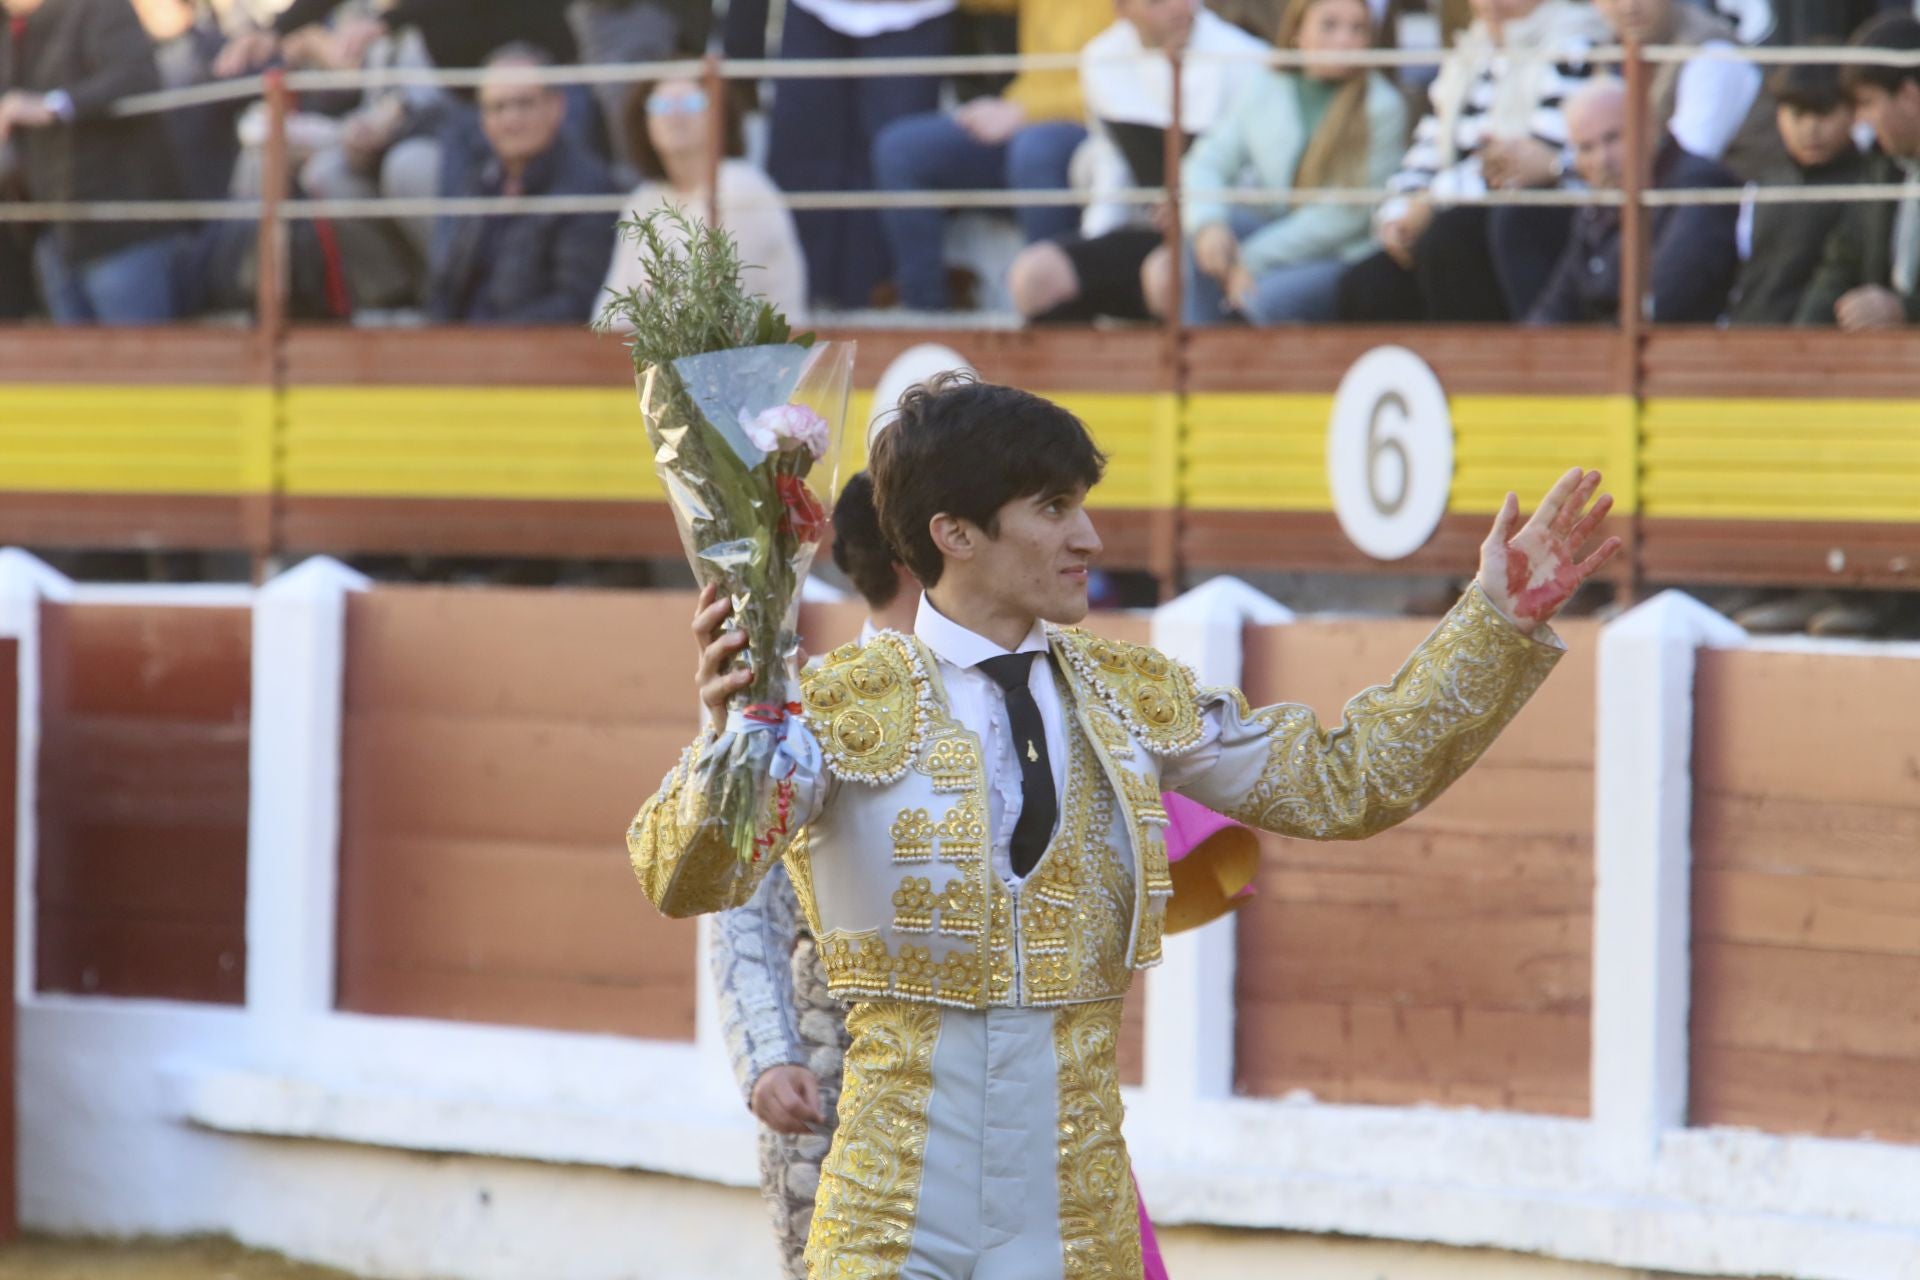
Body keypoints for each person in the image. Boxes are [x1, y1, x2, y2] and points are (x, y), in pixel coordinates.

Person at [629, 370, 1620, 1276]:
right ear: (955, 532)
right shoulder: (833, 708)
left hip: (1076, 1213)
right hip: (889, 1215)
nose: (1089, 538)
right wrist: (731, 743)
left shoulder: (1130, 698)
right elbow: (682, 876)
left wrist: (1493, 621)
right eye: (1053, 508)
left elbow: (1346, 780)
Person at [1334, 0, 1608, 324]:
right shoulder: (1470, 53)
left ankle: (1477, 369)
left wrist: (1431, 204)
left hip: (1534, 211)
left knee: (1450, 237)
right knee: (1366, 282)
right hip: (1457, 207)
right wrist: (1399, 214)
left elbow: (1523, 161)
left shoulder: (1573, 42)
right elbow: (1428, 148)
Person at [1005, 0, 1271, 325]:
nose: (1178, 8)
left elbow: (1263, 177)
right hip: (1147, 226)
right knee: (1036, 277)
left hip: (1218, 232)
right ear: (1121, 10)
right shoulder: (1101, 59)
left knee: (1165, 277)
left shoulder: (1246, 58)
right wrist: (1097, 239)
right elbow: (1113, 162)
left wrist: (1197, 211)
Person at [1169, 0, 1408, 325]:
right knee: (1203, 238)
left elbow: (1347, 216)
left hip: (1343, 253)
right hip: (1278, 233)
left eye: (1358, 29)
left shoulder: (1382, 106)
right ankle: (1195, 358)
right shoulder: (1266, 85)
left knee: (1264, 298)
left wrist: (1249, 259)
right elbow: (1207, 161)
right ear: (1298, 32)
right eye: (1330, 25)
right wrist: (1208, 224)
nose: (1344, 41)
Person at [872, 0, 1111, 311]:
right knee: (901, 149)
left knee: (1035, 150)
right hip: (1023, 121)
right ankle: (928, 323)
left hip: (1090, 132)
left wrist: (1023, 112)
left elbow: (1123, 85)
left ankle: (1053, 323)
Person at [727, 0, 958, 312]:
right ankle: (796, 313)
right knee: (799, 165)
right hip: (813, 11)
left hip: (916, 15)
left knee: (890, 165)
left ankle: (876, 312)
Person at [0, 0, 188, 324]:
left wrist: (54, 106)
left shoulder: (99, 6)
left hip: (119, 230)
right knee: (78, 367)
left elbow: (136, 77)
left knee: (138, 365)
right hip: (56, 233)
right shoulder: (19, 30)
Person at [425, 44, 616, 324]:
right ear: (482, 118)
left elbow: (576, 304)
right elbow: (445, 289)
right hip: (464, 352)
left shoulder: (588, 188)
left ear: (557, 106)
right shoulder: (479, 181)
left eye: (524, 103)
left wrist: (484, 345)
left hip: (538, 356)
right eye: (497, 107)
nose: (511, 119)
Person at [1527, 77, 1738, 325]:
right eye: (1586, 148)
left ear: (1650, 126)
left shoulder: (1700, 187)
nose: (1603, 160)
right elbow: (1557, 306)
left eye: (1613, 138)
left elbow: (1662, 306)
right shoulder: (1603, 202)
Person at [600, 77, 808, 324]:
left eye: (691, 103)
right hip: (663, 355)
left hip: (751, 354)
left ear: (720, 116)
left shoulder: (742, 187)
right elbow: (612, 307)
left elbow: (717, 305)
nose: (676, 116)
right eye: (661, 106)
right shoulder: (644, 198)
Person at [1796, 12, 1920, 329]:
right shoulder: (1881, 167)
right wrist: (1800, 349)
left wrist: (1905, 311)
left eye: (1867, 103)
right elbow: (1840, 264)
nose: (1860, 122)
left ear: (1909, 96)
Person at [1726, 61, 1867, 325]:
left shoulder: (1870, 187)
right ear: (1778, 114)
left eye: (1824, 113)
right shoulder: (1764, 184)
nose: (1810, 128)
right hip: (1746, 339)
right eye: (1798, 113)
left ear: (1853, 112)